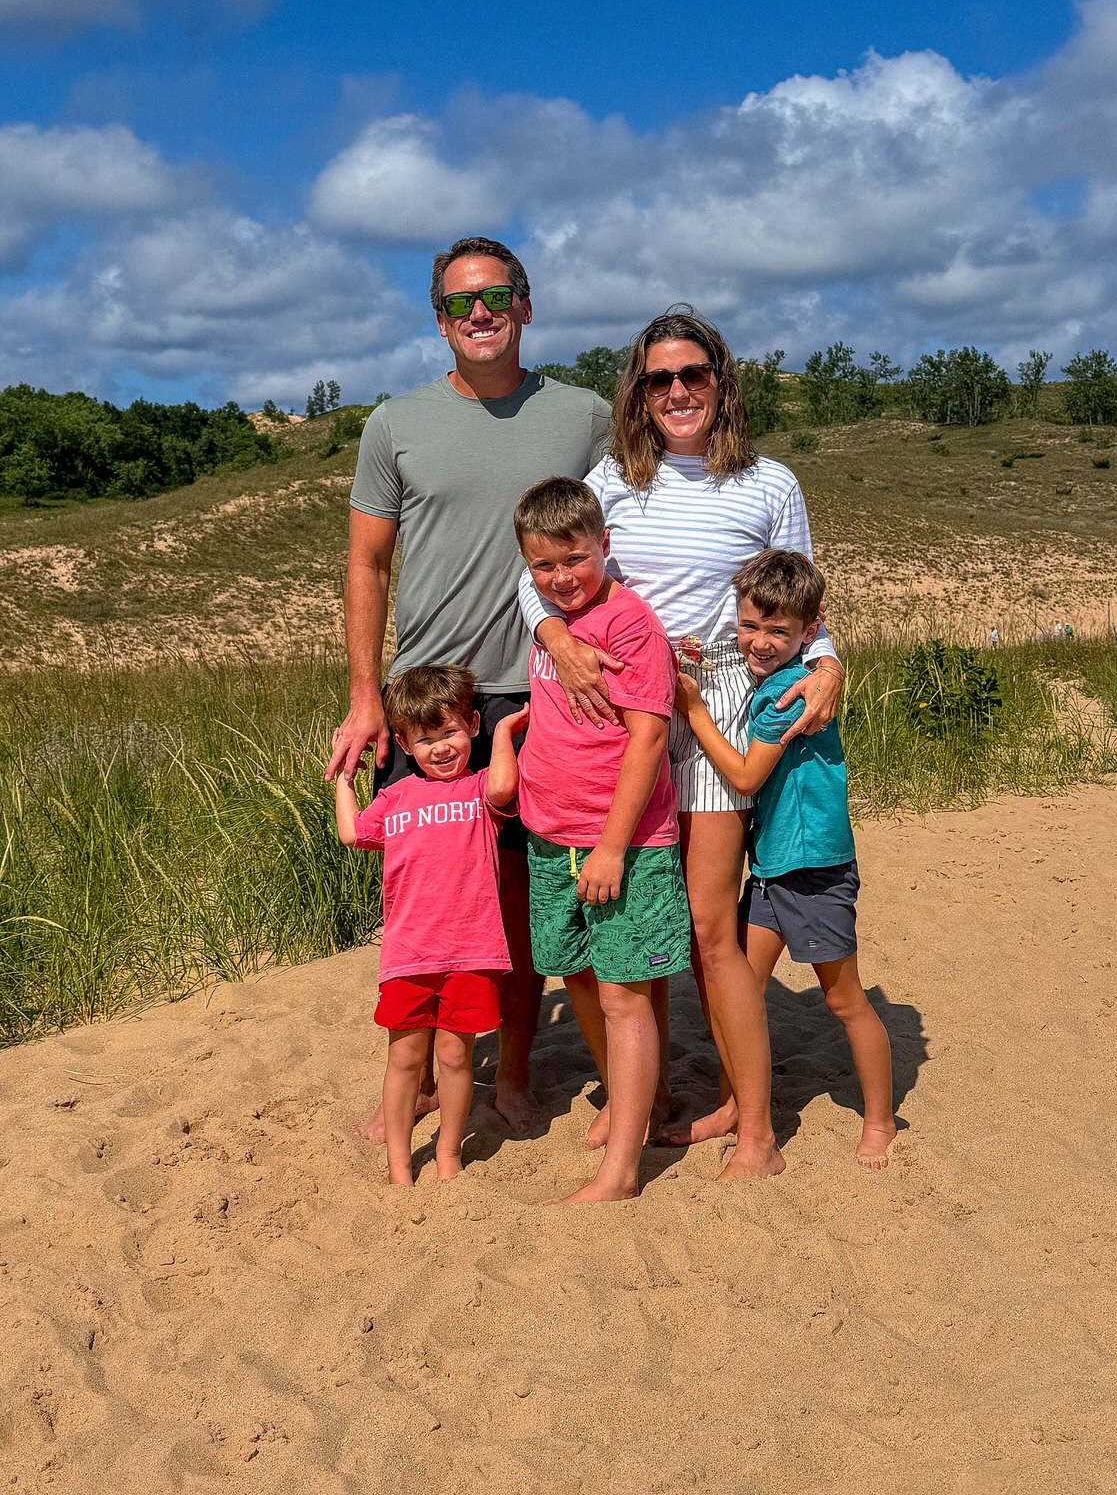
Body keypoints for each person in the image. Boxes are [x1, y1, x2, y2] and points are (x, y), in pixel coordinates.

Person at [519, 308, 843, 1180]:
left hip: (717, 705)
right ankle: (647, 1097)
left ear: (721, 380)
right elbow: (540, 575)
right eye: (658, 378)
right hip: (616, 715)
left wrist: (830, 667)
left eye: (692, 373)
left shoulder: (770, 483)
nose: (677, 391)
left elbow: (805, 608)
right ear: (638, 391)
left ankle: (757, 1132)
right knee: (634, 922)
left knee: (706, 924)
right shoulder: (614, 481)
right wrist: (554, 639)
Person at [327, 236, 613, 1134]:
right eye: (460, 303)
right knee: (418, 895)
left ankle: (515, 1072)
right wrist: (366, 698)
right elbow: (368, 565)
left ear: (526, 306)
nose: (480, 314)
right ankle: (411, 1079)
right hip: (428, 702)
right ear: (439, 318)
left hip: (543, 694)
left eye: (498, 296)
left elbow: (625, 537)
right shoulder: (394, 425)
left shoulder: (586, 416)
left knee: (521, 901)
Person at [675, 550, 896, 1169]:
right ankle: (735, 1105)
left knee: (843, 998)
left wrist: (693, 711)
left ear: (810, 629)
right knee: (737, 984)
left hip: (814, 869)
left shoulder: (789, 694)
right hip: (772, 868)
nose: (761, 641)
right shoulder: (767, 682)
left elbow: (744, 778)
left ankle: (880, 1120)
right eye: (750, 626)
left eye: (779, 631)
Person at [514, 478, 691, 1202]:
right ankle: (630, 1099)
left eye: (575, 559)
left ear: (605, 547)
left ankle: (621, 1172)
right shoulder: (553, 624)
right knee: (577, 975)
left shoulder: (629, 624)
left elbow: (648, 738)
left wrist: (615, 846)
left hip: (621, 841)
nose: (561, 578)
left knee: (625, 995)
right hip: (551, 837)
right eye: (543, 567)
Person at [334, 665, 527, 1184]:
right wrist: (345, 781)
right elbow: (353, 835)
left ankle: (447, 1153)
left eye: (450, 733)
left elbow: (507, 787)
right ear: (404, 743)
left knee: (455, 1058)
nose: (440, 748)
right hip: (408, 955)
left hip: (472, 953)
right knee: (404, 1059)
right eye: (425, 739)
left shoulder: (480, 789)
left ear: (471, 727)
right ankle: (400, 1163)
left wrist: (505, 731)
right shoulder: (394, 798)